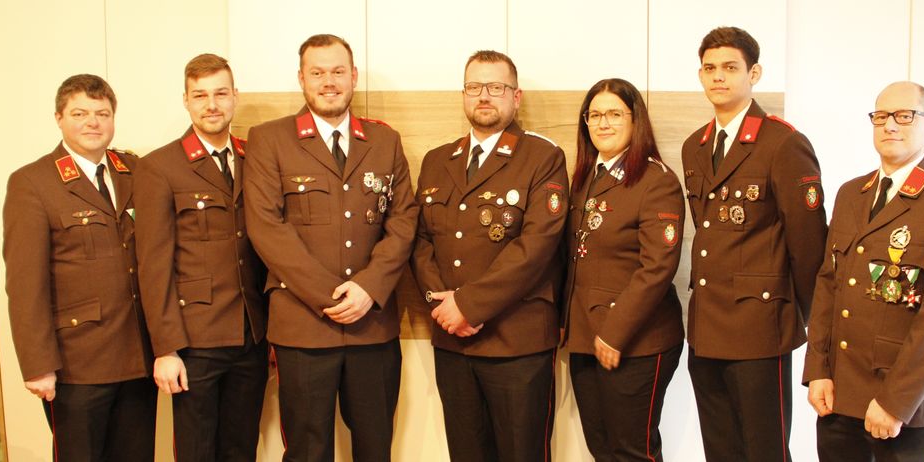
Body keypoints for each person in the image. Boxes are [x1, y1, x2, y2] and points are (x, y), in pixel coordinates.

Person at [243, 34, 418, 462]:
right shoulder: (269, 139)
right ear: (301, 79)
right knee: (307, 450)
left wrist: (368, 288)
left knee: (376, 447)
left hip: (372, 323)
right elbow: (266, 228)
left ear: (353, 76)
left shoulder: (384, 141)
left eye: (338, 71)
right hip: (303, 325)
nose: (328, 82)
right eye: (317, 73)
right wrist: (331, 297)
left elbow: (403, 219)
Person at [803, 81, 924, 462]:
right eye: (881, 116)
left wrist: (895, 402)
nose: (890, 125)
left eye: (905, 116)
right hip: (840, 397)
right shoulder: (851, 194)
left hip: (906, 409)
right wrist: (818, 369)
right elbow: (829, 285)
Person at [411, 50, 568, 462]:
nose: (484, 96)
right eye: (474, 87)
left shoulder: (542, 157)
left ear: (515, 98)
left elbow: (535, 247)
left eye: (496, 87)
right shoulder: (436, 160)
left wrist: (469, 304)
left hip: (516, 340)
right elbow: (421, 242)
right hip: (453, 342)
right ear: (463, 95)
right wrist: (443, 306)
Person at [681, 26, 828, 461]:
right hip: (706, 327)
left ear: (754, 73)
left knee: (764, 451)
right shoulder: (696, 146)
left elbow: (808, 246)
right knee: (720, 450)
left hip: (760, 328)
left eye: (730, 67)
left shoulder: (783, 143)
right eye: (709, 69)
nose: (718, 78)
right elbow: (710, 237)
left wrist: (807, 324)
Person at [2, 74, 155, 461]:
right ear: (59, 118)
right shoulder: (33, 183)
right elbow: (25, 284)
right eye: (80, 113)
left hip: (138, 356)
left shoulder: (134, 171)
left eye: (102, 113)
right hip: (76, 364)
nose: (92, 122)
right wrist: (38, 365)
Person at [134, 53, 268, 461]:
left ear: (235, 97)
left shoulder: (254, 158)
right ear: (186, 101)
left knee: (241, 447)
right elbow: (153, 265)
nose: (212, 104)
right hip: (195, 339)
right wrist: (166, 348)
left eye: (221, 93)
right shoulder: (159, 166)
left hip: (253, 334)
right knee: (196, 451)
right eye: (201, 95)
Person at [563, 78, 685, 461]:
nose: (603, 123)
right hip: (585, 337)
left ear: (636, 121)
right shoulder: (585, 178)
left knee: (633, 452)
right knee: (602, 448)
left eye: (615, 114)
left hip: (637, 341)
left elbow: (657, 267)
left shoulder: (655, 180)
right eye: (595, 115)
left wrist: (614, 333)